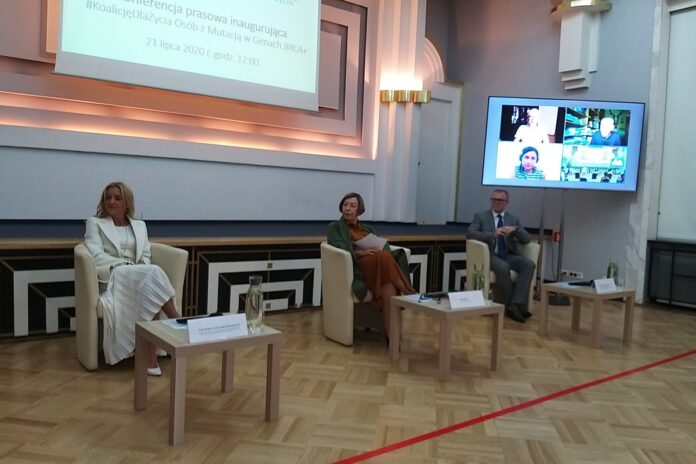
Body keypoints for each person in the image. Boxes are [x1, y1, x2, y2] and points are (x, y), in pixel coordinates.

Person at [84, 181, 180, 376]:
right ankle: (178, 322)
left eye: (117, 198)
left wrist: (141, 265)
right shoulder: (94, 223)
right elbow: (96, 254)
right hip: (114, 274)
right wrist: (126, 265)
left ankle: (151, 357)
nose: (111, 201)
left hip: (138, 276)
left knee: (150, 283)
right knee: (152, 275)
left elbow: (145, 254)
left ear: (127, 203)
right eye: (108, 198)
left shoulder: (139, 225)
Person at [327, 192, 415, 331]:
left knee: (388, 284)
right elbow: (340, 247)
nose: (347, 208)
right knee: (384, 256)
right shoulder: (335, 227)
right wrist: (360, 252)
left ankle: (391, 337)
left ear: (359, 210)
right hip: (358, 265)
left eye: (352, 206)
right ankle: (408, 290)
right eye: (345, 205)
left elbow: (380, 245)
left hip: (378, 264)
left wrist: (378, 246)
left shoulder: (367, 228)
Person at [467, 189, 536, 323]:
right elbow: (470, 233)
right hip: (490, 255)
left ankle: (515, 304)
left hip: (508, 254)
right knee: (503, 267)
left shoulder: (513, 219)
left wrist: (515, 230)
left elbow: (527, 239)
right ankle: (513, 306)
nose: (496, 202)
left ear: (507, 202)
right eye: (493, 199)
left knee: (529, 264)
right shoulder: (481, 216)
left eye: (500, 200)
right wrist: (493, 234)